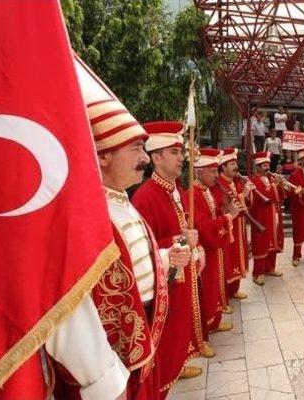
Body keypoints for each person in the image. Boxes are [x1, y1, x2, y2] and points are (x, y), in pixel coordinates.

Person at [53, 100, 195, 398]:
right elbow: (70, 305)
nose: (144, 158)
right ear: (104, 156)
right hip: (115, 365)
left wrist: (167, 257)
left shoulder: (120, 202)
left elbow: (132, 266)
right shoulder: (86, 216)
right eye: (136, 149)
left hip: (140, 342)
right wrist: (104, 381)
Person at [131, 121, 206, 394]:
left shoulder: (174, 190)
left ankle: (176, 365)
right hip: (164, 282)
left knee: (177, 331)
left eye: (180, 152)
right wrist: (181, 241)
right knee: (165, 336)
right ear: (156, 157)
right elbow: (143, 249)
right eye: (174, 152)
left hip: (181, 275)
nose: (181, 158)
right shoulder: (145, 197)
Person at [193, 148, 242, 333]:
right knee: (206, 289)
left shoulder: (206, 191)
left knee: (213, 286)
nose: (216, 175)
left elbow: (214, 215)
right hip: (206, 249)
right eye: (213, 171)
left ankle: (214, 321)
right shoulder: (194, 194)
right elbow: (204, 226)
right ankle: (204, 330)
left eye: (216, 170)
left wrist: (226, 209)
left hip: (214, 248)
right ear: (199, 172)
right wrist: (229, 216)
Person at [211, 148, 252, 312]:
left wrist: (247, 194)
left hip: (239, 226)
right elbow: (226, 206)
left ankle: (234, 290)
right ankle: (224, 296)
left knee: (238, 257)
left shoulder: (235, 181)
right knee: (228, 260)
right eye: (232, 164)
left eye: (236, 163)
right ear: (223, 167)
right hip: (227, 229)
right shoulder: (218, 184)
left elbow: (244, 205)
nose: (236, 167)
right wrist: (244, 194)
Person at [249, 152, 298, 285]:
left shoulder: (271, 179)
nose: (267, 167)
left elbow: (280, 197)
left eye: (268, 165)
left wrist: (282, 186)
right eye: (264, 165)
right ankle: (257, 273)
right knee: (261, 244)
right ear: (257, 167)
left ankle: (270, 268)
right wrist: (275, 185)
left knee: (273, 242)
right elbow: (262, 197)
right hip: (261, 217)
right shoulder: (253, 181)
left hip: (274, 214)